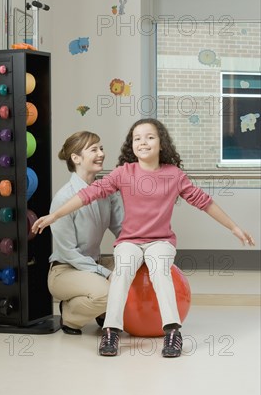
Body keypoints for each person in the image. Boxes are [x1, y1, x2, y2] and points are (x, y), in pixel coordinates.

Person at [32, 118, 256, 357]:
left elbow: (204, 202)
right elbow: (88, 195)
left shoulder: (174, 175)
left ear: (161, 143)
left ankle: (172, 332)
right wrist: (54, 215)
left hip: (160, 242)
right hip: (130, 242)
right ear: (132, 145)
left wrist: (234, 227)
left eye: (150, 137)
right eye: (137, 138)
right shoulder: (123, 173)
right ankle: (111, 331)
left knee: (160, 271)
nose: (143, 142)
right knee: (122, 272)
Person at [47, 131, 123, 335]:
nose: (101, 153)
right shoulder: (64, 199)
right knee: (110, 292)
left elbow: (123, 230)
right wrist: (107, 274)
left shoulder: (108, 191)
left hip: (94, 264)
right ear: (76, 158)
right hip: (66, 269)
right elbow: (69, 253)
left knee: (132, 271)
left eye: (101, 148)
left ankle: (100, 310)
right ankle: (70, 314)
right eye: (94, 149)